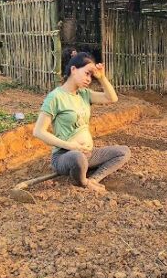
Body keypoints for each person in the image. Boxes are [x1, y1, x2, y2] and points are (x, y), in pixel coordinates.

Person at [33, 51, 129, 193]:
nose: (89, 79)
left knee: (123, 152)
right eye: (86, 73)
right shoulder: (55, 97)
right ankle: (83, 181)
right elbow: (38, 131)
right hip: (65, 156)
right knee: (78, 157)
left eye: (91, 75)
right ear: (73, 70)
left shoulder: (84, 94)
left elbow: (112, 98)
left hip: (88, 154)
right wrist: (70, 146)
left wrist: (102, 78)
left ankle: (94, 179)